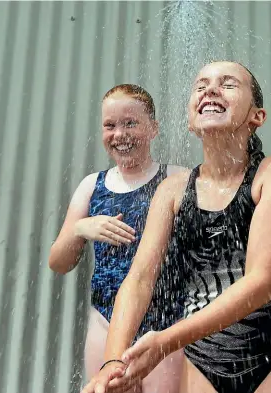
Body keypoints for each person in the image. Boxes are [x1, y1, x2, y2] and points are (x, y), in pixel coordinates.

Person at [82, 61, 271, 393]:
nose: (210, 89)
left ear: (257, 116)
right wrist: (113, 364)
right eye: (201, 85)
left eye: (229, 84)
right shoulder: (173, 191)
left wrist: (165, 342)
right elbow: (139, 280)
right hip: (204, 359)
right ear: (192, 121)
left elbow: (262, 282)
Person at [48, 84, 186, 393]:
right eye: (110, 125)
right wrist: (80, 229)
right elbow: (58, 262)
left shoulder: (177, 178)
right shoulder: (91, 186)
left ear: (153, 128)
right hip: (105, 321)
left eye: (130, 123)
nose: (119, 133)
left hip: (164, 321)